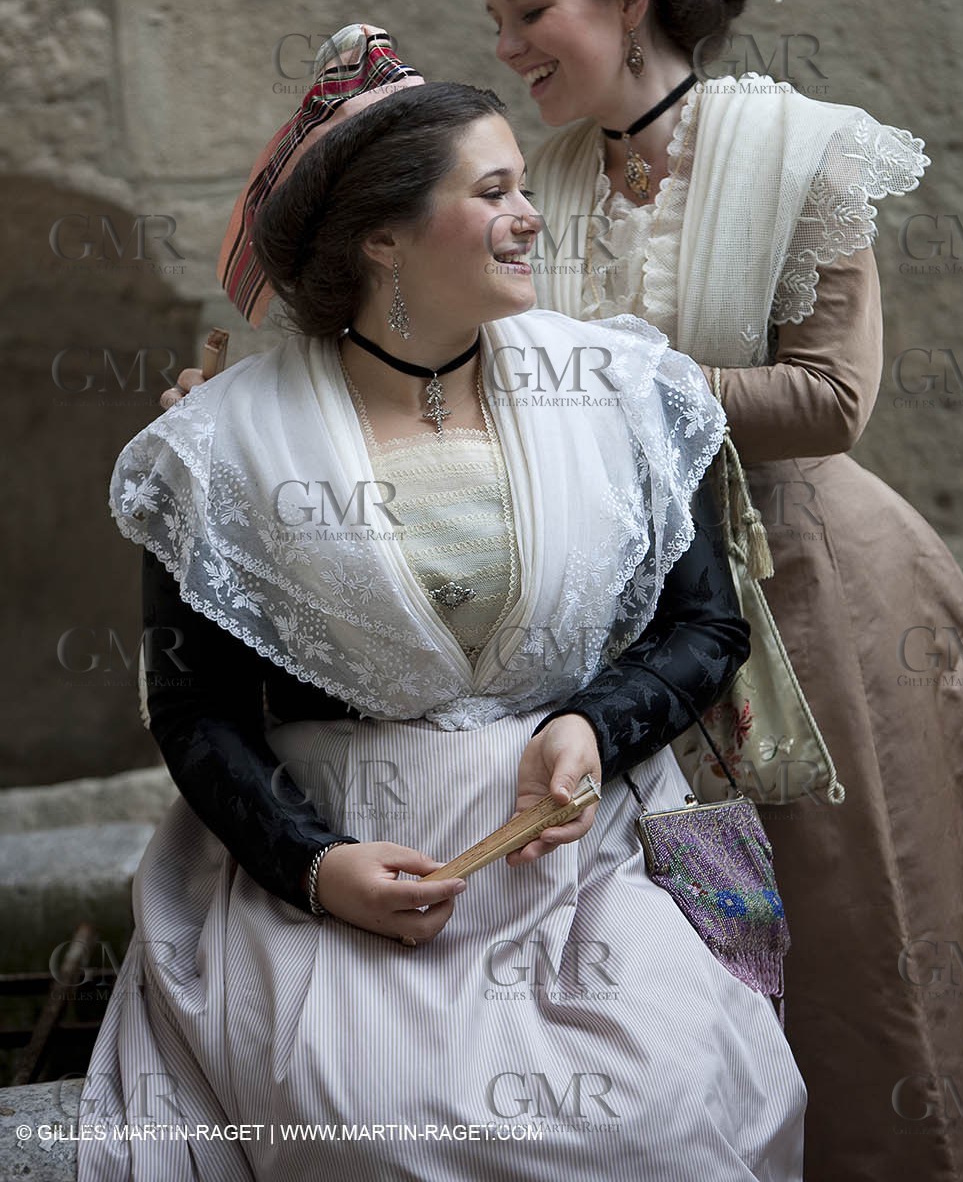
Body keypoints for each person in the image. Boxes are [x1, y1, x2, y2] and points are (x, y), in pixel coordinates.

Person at [80, 62, 806, 1181]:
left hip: (588, 838)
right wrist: (318, 868)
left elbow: (704, 630)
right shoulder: (218, 448)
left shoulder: (622, 390)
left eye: (523, 187)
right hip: (347, 856)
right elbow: (193, 706)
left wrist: (591, 729)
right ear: (380, 236)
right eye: (493, 191)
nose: (529, 217)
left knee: (663, 1112)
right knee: (376, 1132)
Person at [482, 0, 963, 1182]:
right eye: (495, 21)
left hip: (809, 592)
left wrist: (612, 372)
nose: (506, 51)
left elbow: (828, 402)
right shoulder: (532, 179)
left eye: (529, 14)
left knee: (852, 922)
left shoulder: (806, 151)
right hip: (615, 610)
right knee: (670, 948)